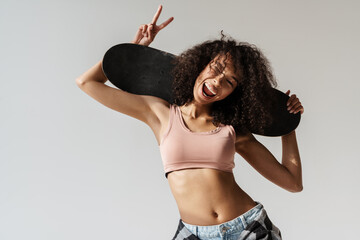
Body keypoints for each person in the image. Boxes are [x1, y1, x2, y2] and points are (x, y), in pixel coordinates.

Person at [76, 5, 304, 240]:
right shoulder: (159, 113)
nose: (216, 82)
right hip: (192, 235)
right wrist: (134, 51)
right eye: (215, 69)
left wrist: (287, 124)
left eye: (229, 82)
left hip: (247, 229)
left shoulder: (231, 129)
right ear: (200, 65)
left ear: (233, 92)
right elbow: (87, 83)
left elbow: (292, 183)